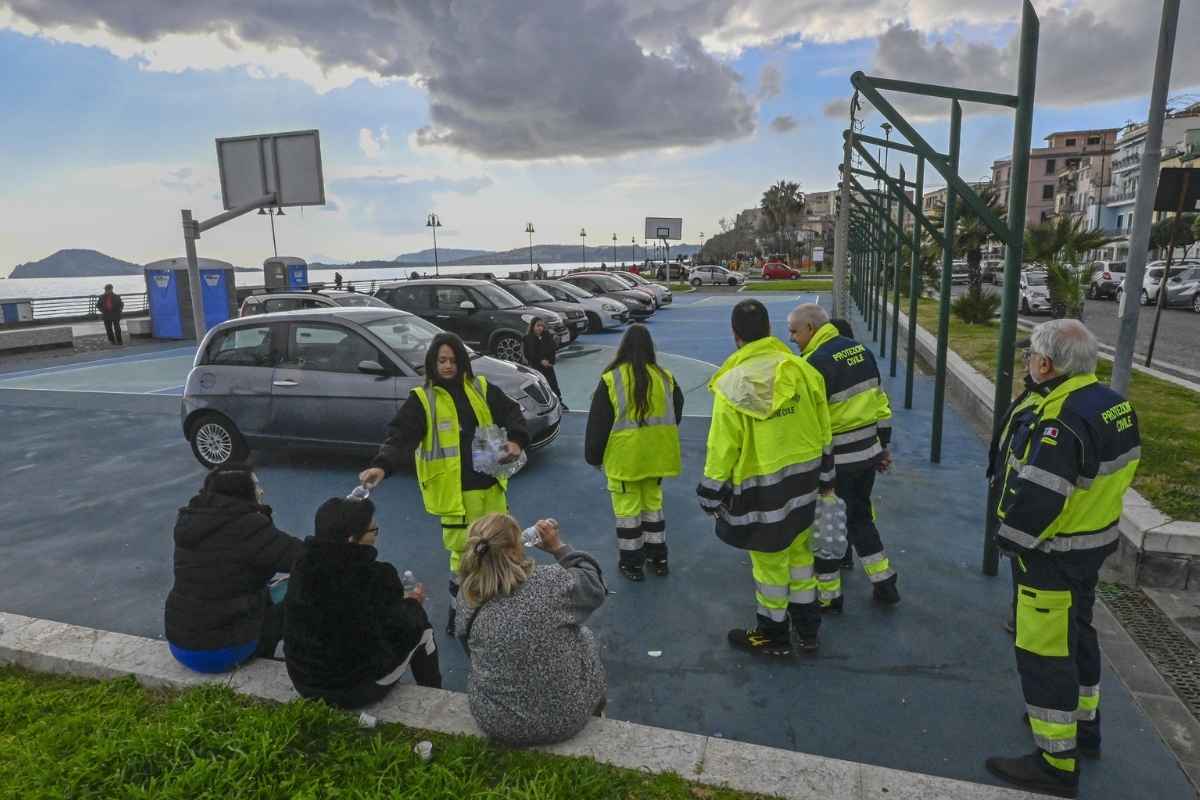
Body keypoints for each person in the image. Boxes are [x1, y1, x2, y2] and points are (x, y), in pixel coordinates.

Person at [983, 320, 1140, 798]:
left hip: (1050, 553)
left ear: (1046, 363)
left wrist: (1008, 540)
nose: (1028, 362)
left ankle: (1055, 760)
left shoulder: (1060, 418)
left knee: (1044, 653)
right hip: (1090, 545)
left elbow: (1042, 497)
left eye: (1031, 355)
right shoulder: (1112, 404)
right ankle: (1084, 727)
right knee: (1080, 634)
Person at [359, 332, 529, 635]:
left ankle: (499, 615)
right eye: (442, 361)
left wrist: (516, 440)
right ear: (432, 363)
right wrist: (381, 466)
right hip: (456, 495)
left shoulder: (480, 388)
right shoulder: (422, 400)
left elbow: (512, 411)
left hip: (491, 486)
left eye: (453, 360)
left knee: (501, 551)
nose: (448, 366)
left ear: (462, 362)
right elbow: (400, 437)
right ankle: (460, 618)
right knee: (463, 560)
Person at [697, 299, 834, 656]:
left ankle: (773, 634)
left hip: (763, 493)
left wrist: (710, 493)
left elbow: (722, 446)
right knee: (802, 557)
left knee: (770, 564)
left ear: (735, 334)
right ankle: (808, 628)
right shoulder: (802, 371)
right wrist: (827, 475)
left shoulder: (733, 384)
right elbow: (824, 428)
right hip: (806, 485)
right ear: (770, 330)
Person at [455, 513, 607, 746]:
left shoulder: (467, 594)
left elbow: (468, 647)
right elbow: (594, 587)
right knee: (584, 636)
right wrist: (558, 547)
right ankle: (596, 709)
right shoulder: (550, 581)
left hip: (498, 722)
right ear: (516, 548)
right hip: (566, 719)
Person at [787, 304, 899, 610]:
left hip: (838, 460)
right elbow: (880, 404)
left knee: (827, 526)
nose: (793, 339)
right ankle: (883, 580)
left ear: (811, 328)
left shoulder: (813, 363)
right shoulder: (860, 350)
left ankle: (830, 596)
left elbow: (808, 422)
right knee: (860, 516)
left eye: (795, 332)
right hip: (868, 454)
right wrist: (882, 446)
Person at [283, 497, 441, 709]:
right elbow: (397, 623)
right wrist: (414, 602)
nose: (376, 536)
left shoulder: (302, 565)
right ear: (351, 539)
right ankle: (434, 697)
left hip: (303, 681)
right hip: (351, 690)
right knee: (422, 628)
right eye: (373, 531)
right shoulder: (376, 576)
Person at [164, 464, 305, 673]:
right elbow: (303, 557)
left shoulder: (189, 519)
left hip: (180, 645)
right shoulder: (249, 525)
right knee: (300, 587)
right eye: (256, 486)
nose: (261, 491)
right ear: (241, 492)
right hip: (223, 651)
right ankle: (268, 653)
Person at [584, 324, 683, 580]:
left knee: (628, 512)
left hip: (625, 458)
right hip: (658, 455)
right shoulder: (665, 377)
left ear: (623, 347)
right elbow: (677, 412)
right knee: (653, 506)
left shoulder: (612, 379)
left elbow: (599, 423)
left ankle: (632, 563)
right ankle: (658, 557)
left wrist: (593, 456)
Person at [522, 317, 564, 405]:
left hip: (548, 367)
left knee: (553, 385)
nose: (540, 328)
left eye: (542, 326)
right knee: (540, 387)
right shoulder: (528, 338)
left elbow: (552, 350)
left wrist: (550, 362)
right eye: (538, 325)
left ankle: (559, 402)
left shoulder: (547, 336)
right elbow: (529, 354)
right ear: (533, 326)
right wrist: (541, 361)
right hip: (536, 368)